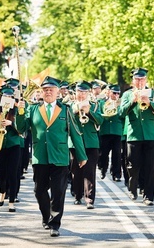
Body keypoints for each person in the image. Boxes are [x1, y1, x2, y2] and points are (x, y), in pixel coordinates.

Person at [16, 76, 87, 237]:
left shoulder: (66, 109)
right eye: (45, 90)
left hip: (60, 157)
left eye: (51, 90)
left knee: (58, 192)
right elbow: (21, 129)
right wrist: (20, 112)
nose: (48, 92)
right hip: (40, 156)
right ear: (42, 92)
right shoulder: (33, 109)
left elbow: (75, 133)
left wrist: (81, 155)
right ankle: (46, 215)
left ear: (57, 92)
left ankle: (55, 224)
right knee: (39, 190)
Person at [119, 67, 154, 206]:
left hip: (150, 134)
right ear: (133, 80)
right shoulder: (127, 94)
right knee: (133, 165)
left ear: (146, 80)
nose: (139, 81)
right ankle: (133, 188)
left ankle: (148, 196)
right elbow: (121, 113)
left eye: (142, 79)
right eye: (137, 79)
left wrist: (150, 103)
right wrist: (133, 101)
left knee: (150, 167)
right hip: (134, 135)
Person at [0, 85, 23, 212]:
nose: (7, 98)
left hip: (14, 145)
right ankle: (2, 192)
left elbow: (22, 129)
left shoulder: (17, 111)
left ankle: (12, 201)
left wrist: (11, 123)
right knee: (1, 172)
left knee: (13, 173)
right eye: (5, 96)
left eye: (10, 97)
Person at [69, 80, 103, 209]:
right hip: (74, 143)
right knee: (76, 170)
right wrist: (76, 110)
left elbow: (100, 120)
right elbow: (66, 120)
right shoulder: (70, 105)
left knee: (90, 171)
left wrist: (89, 112)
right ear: (75, 92)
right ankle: (77, 195)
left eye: (84, 92)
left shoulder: (95, 105)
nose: (81, 95)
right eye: (79, 92)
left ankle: (89, 199)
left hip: (90, 142)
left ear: (88, 93)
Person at [99, 84, 123, 182]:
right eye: (114, 93)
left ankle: (116, 173)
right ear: (109, 92)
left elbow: (123, 114)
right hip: (105, 131)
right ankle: (103, 169)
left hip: (117, 131)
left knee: (117, 154)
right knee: (103, 153)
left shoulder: (121, 103)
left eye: (118, 93)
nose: (116, 95)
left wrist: (118, 106)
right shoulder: (102, 103)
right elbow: (100, 114)